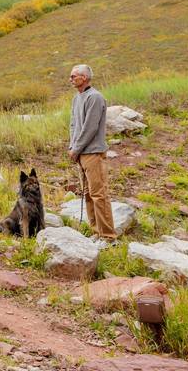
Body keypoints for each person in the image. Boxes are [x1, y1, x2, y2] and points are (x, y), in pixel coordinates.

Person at [68, 63, 117, 245]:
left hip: (93, 152)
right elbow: (73, 125)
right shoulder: (76, 98)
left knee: (99, 194)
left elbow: (90, 128)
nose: (71, 79)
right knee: (88, 194)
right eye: (71, 76)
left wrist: (76, 148)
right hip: (80, 153)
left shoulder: (95, 97)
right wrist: (72, 147)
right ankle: (96, 232)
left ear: (85, 77)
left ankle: (108, 237)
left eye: (74, 76)